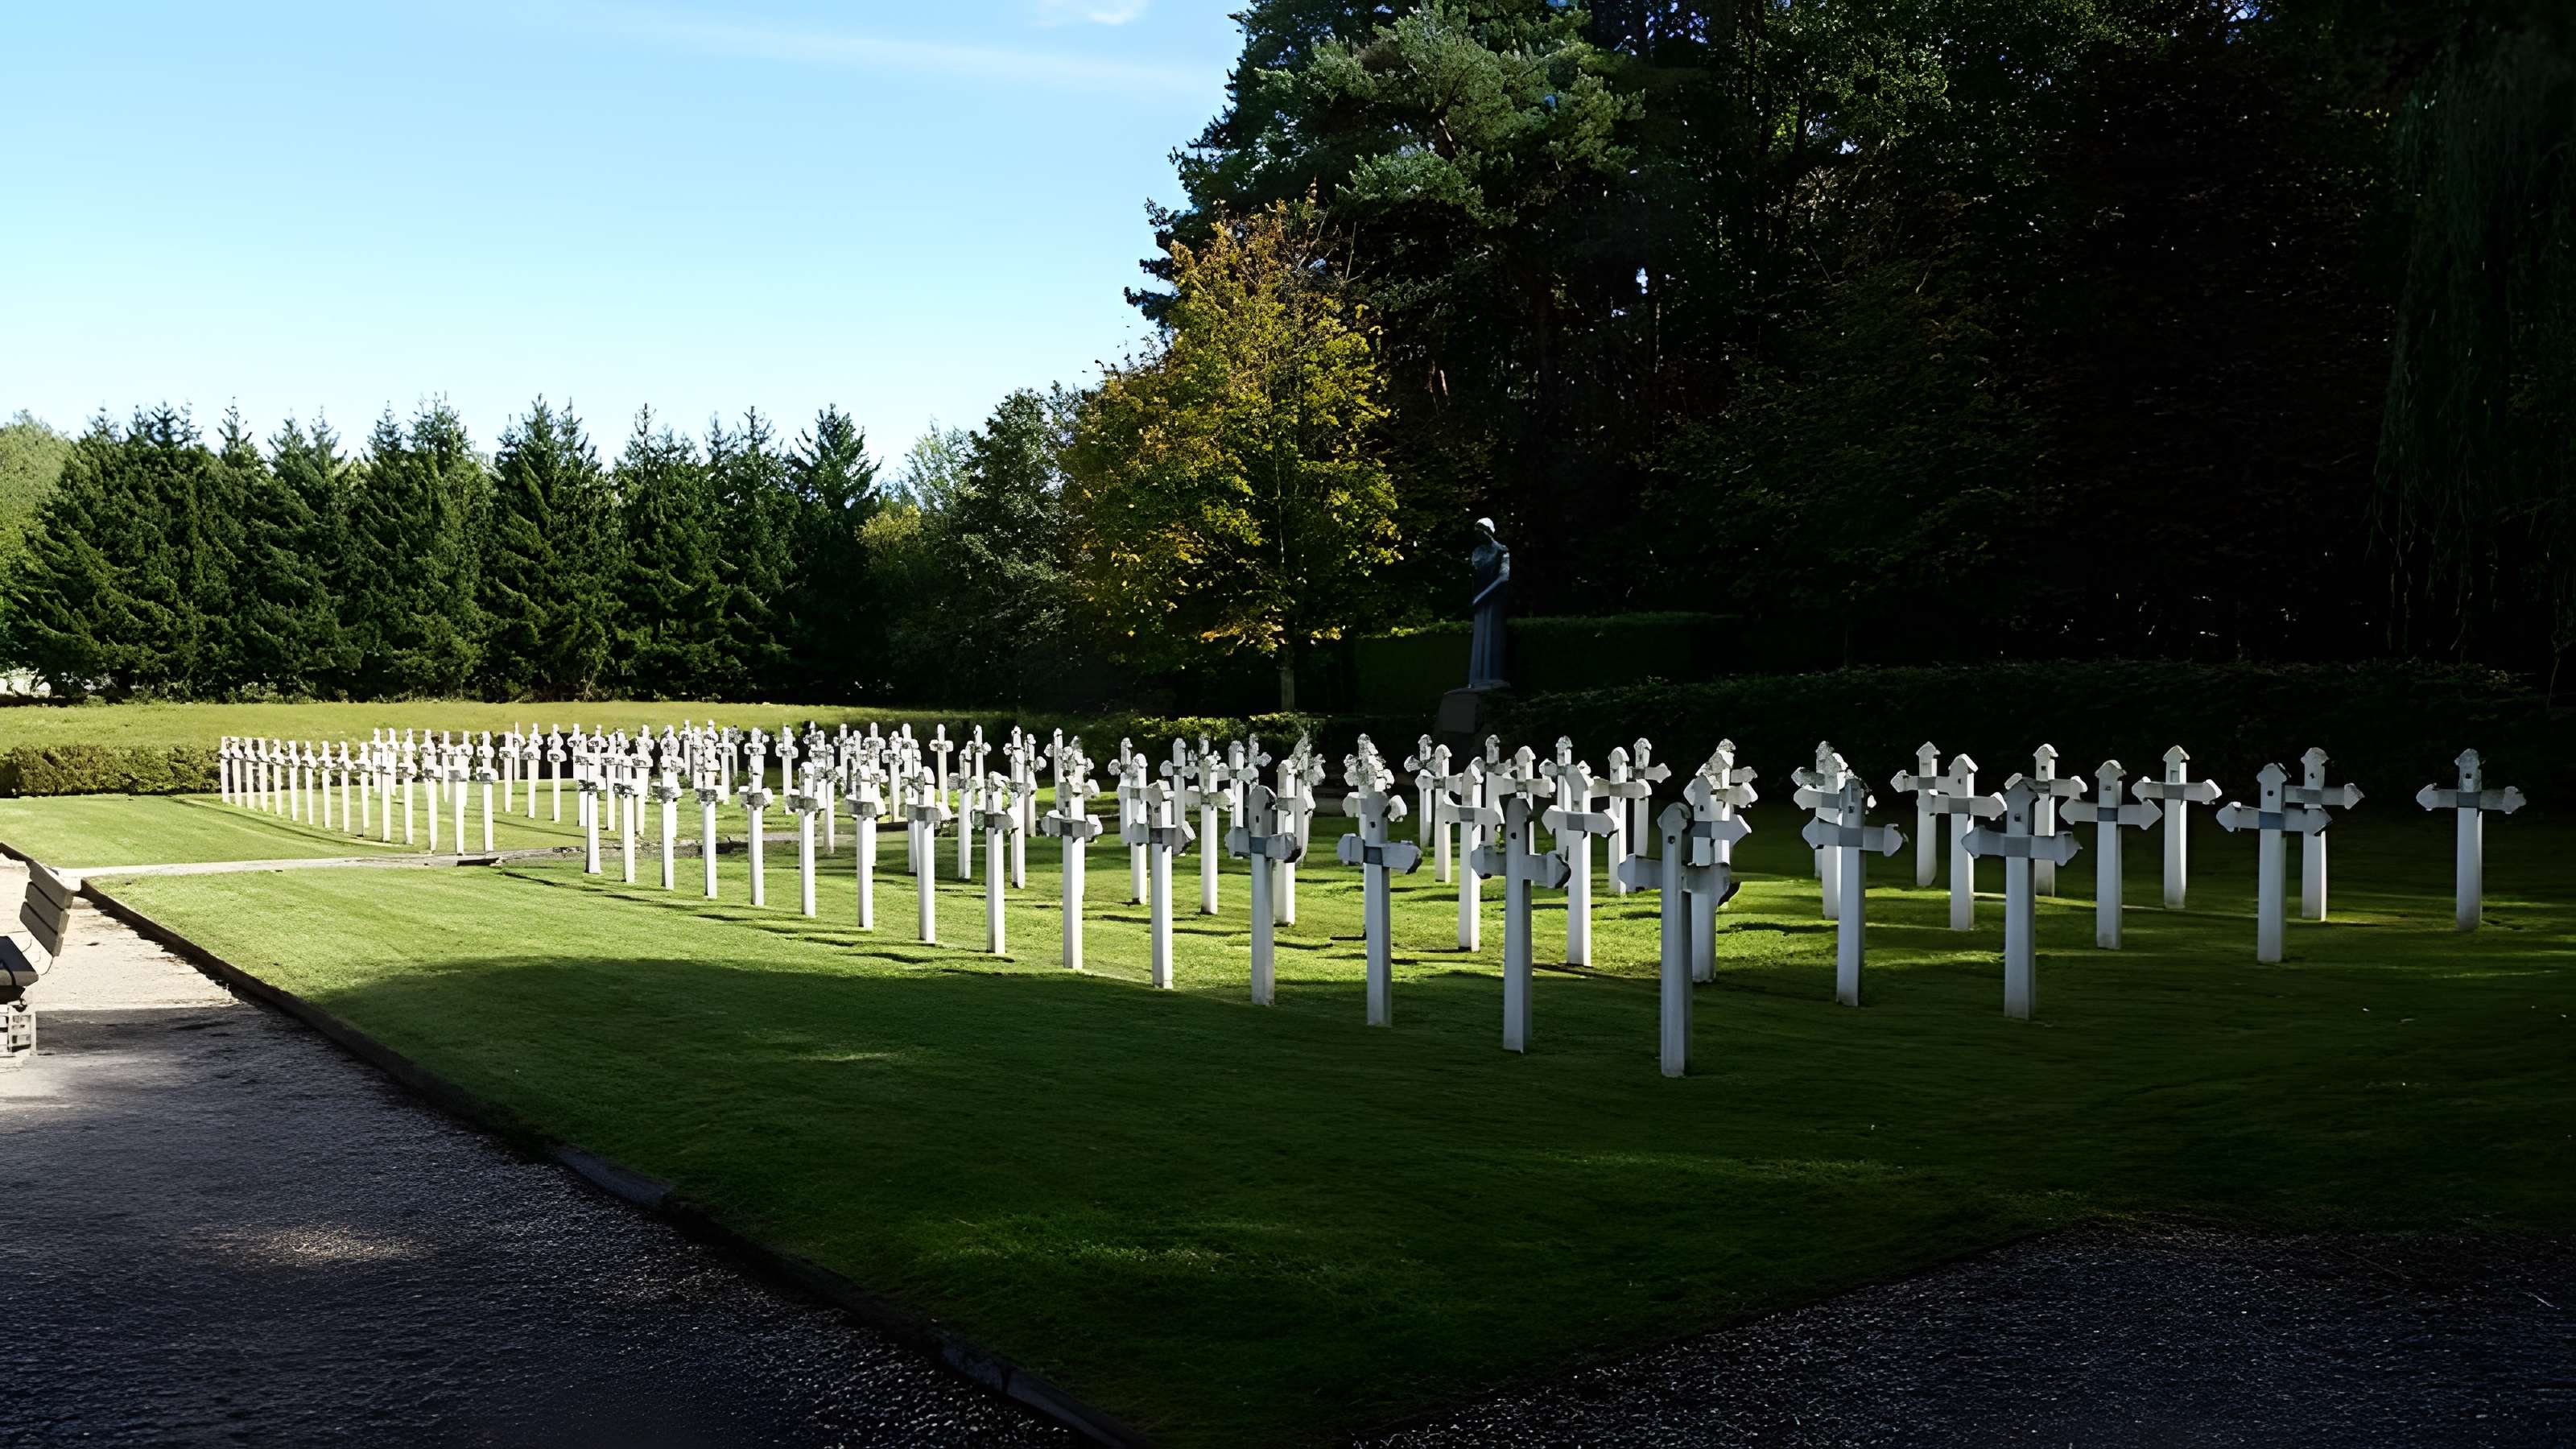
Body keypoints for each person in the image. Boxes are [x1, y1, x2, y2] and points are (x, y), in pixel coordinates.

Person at [1467, 517, 1511, 688]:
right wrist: (1475, 597)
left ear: (1488, 531)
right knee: (1480, 637)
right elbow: (1474, 577)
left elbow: (1504, 577)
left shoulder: (1502, 551)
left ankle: (1492, 680)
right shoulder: (1477, 552)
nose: (1478, 535)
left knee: (1493, 637)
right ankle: (1476, 680)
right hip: (1480, 601)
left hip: (1494, 601)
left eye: (1481, 530)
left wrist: (1481, 597)